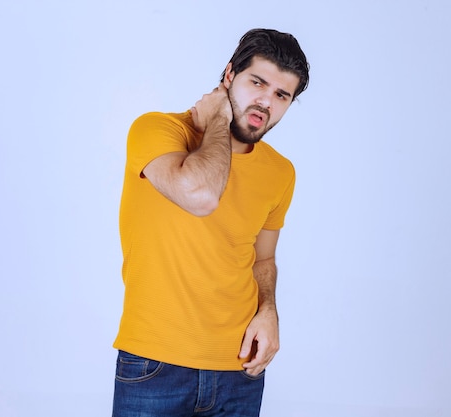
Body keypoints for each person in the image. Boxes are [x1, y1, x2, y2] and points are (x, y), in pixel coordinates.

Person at [112, 28, 310, 417]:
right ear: (229, 74)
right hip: (155, 365)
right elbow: (199, 194)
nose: (265, 102)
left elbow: (262, 260)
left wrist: (268, 311)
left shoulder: (280, 172)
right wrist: (219, 117)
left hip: (240, 370)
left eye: (281, 95)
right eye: (258, 82)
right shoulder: (157, 130)